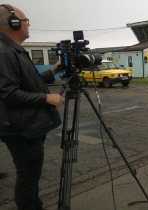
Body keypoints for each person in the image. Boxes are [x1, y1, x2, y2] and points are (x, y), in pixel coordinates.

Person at [0, 4, 64, 209]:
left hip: (26, 126)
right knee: (28, 177)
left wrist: (54, 70)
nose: (29, 25)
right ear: (14, 23)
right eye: (26, 20)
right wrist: (46, 99)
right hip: (21, 129)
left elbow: (30, 82)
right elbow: (8, 94)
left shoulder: (12, 49)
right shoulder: (4, 52)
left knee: (31, 175)